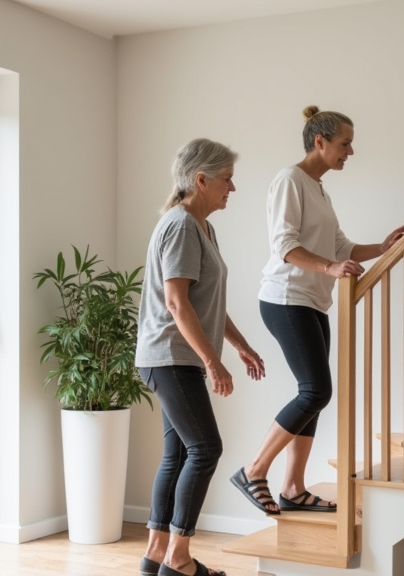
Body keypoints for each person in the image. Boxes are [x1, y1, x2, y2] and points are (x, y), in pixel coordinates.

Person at [230, 106, 404, 515]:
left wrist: (383, 247)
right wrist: (329, 267)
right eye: (345, 143)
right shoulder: (290, 180)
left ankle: (293, 489)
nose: (350, 151)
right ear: (320, 141)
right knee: (315, 391)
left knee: (312, 396)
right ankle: (254, 470)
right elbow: (285, 246)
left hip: (313, 301)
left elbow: (340, 246)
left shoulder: (318, 188)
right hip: (286, 298)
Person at [136, 138, 266, 576]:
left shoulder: (203, 228)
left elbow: (206, 301)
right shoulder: (180, 226)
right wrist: (212, 361)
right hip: (169, 355)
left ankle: (157, 553)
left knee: (178, 454)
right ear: (201, 179)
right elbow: (176, 303)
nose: (233, 187)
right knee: (206, 448)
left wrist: (239, 345)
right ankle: (178, 558)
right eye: (227, 179)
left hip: (176, 356)